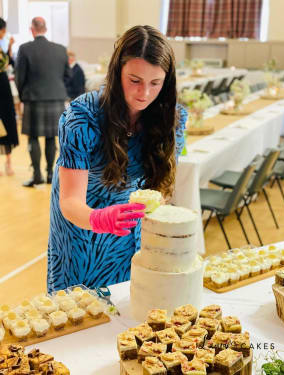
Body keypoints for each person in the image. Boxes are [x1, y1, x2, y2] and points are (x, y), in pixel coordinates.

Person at [47, 25, 188, 293]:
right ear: (116, 72)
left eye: (155, 83)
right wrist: (99, 219)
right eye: (134, 80)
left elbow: (160, 189)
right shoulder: (82, 118)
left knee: (124, 308)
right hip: (80, 233)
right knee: (78, 315)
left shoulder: (172, 120)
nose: (144, 93)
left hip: (127, 233)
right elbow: (69, 201)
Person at [15, 17, 71, 186]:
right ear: (45, 29)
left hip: (34, 98)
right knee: (50, 138)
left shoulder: (25, 49)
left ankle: (37, 175)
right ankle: (50, 175)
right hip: (56, 99)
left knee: (33, 137)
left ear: (32, 29)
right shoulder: (61, 49)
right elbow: (68, 76)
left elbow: (19, 77)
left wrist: (23, 95)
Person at [0, 18, 19, 176]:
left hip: (3, 88)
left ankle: (8, 162)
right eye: (3, 30)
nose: (4, 34)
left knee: (7, 122)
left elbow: (9, 62)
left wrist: (11, 46)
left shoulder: (2, 47)